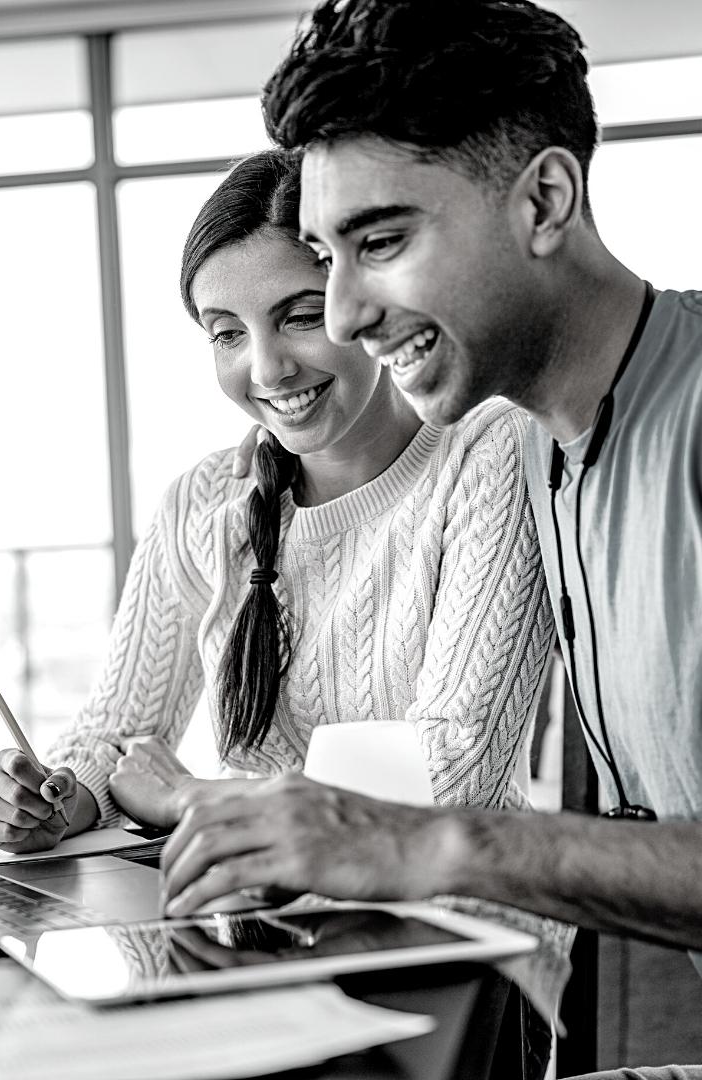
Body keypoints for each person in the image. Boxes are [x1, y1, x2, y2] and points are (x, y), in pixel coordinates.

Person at [158, 4, 702, 1078]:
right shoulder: (550, 450)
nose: (349, 313)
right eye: (327, 255)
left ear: (545, 200)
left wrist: (423, 839)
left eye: (383, 242)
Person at [0, 149, 554, 858]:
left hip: (458, 924)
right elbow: (120, 732)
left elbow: (451, 773)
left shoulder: (487, 454)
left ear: (365, 299)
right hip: (266, 914)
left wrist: (196, 799)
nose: (267, 367)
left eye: (301, 317)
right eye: (228, 334)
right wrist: (59, 798)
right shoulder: (206, 500)